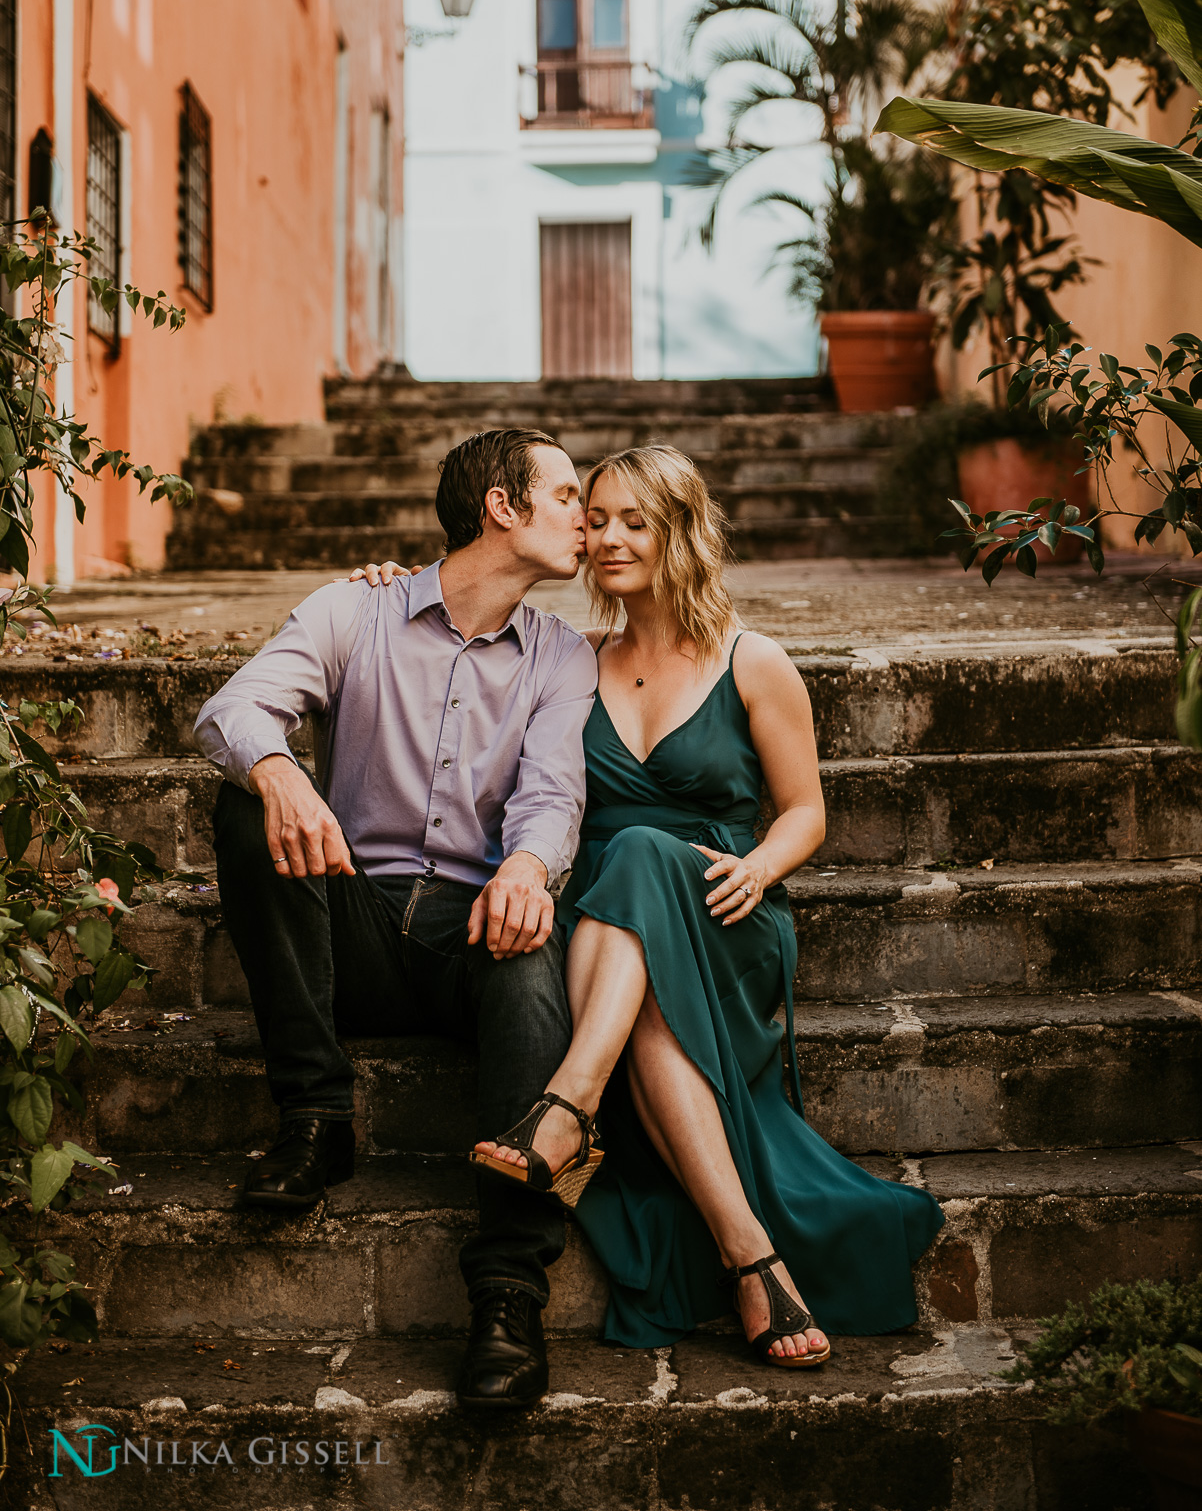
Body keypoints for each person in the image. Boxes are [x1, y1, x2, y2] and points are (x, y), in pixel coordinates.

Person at [364, 443, 943, 1367]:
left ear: (680, 530)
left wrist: (758, 867)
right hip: (605, 932)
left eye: (635, 520)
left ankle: (570, 1104)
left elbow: (806, 813)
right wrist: (393, 591)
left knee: (636, 851)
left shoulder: (753, 663)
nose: (607, 538)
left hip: (722, 912)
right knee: (621, 881)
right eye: (595, 519)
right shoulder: (569, 659)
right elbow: (463, 634)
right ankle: (750, 1256)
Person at [193, 428, 599, 1412]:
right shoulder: (354, 610)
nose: (584, 519)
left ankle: (506, 1293)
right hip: (355, 926)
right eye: (566, 496)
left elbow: (553, 790)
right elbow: (229, 711)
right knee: (247, 803)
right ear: (501, 507)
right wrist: (281, 773)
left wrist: (527, 868)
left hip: (473, 935)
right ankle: (317, 1119)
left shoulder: (562, 655)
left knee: (530, 939)